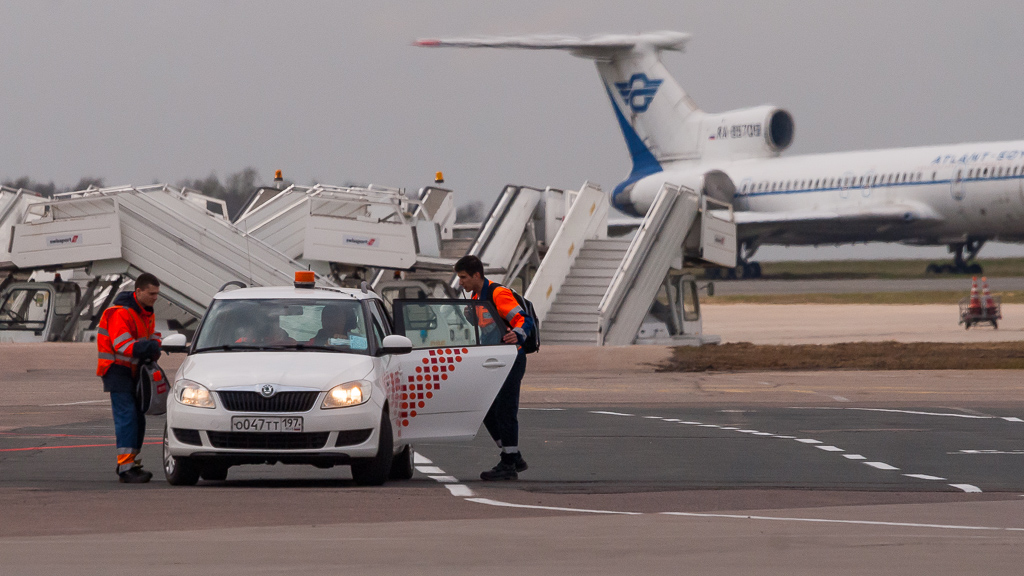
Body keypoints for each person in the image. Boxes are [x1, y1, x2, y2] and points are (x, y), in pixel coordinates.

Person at [454, 255, 534, 481]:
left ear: (477, 275)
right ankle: (512, 454)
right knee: (487, 407)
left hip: (511, 358)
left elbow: (523, 319)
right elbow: (488, 326)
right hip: (493, 357)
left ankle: (509, 462)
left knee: (505, 409)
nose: (461, 282)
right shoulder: (477, 296)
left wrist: (516, 334)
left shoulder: (498, 294)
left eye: (463, 277)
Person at [96, 273, 163, 483]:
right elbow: (123, 346)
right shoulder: (120, 313)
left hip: (133, 371)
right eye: (151, 293)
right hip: (117, 370)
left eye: (157, 294)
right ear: (139, 291)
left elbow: (150, 339)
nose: (155, 297)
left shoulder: (145, 312)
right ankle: (126, 468)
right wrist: (150, 347)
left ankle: (129, 463)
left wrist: (155, 346)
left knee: (137, 418)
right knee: (128, 417)